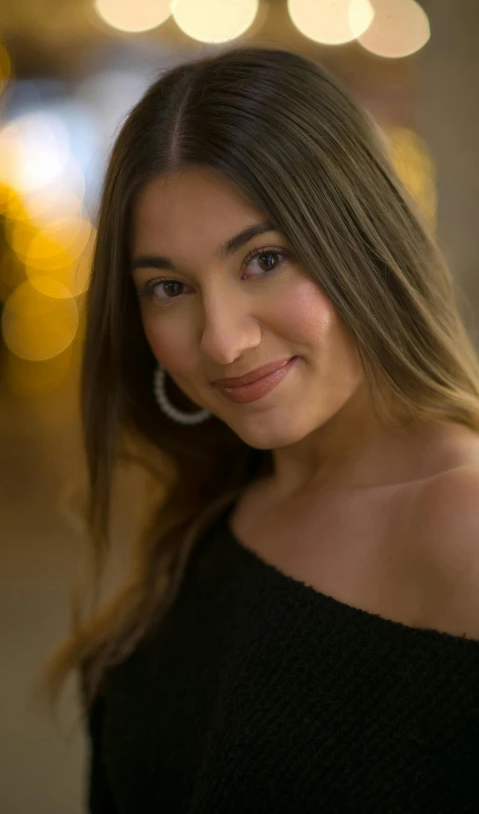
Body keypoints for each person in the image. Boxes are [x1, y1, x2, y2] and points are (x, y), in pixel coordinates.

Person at [44, 46, 479, 812]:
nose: (221, 340)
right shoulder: (216, 506)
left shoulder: (462, 526)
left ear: (362, 246)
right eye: (169, 287)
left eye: (264, 259)